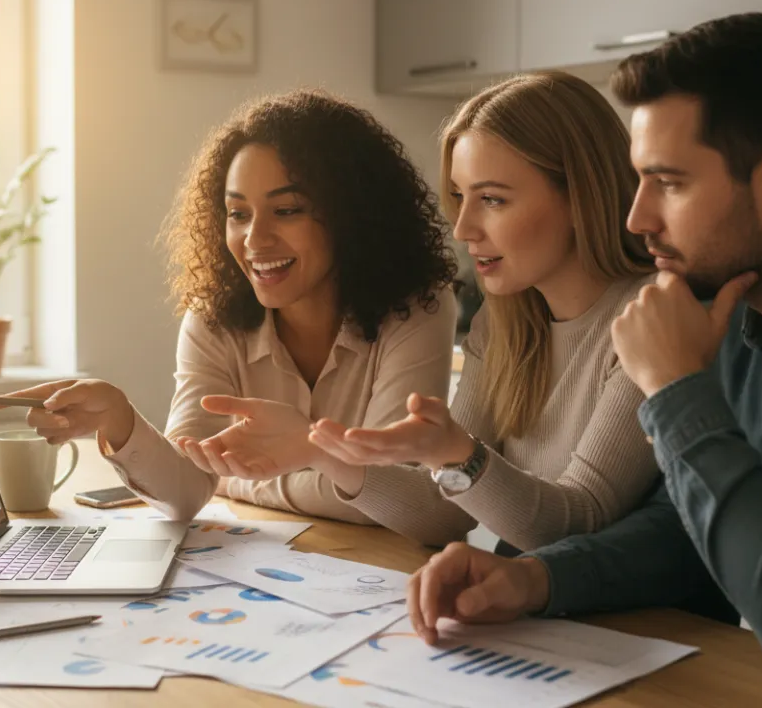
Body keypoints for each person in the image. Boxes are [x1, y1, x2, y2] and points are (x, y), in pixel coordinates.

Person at [402, 13, 762, 686]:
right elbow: (686, 535)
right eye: (639, 181)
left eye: (670, 183)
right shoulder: (734, 309)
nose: (637, 218)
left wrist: (675, 388)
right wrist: (533, 578)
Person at [202, 72, 660, 551]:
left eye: (493, 200)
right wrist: (322, 451)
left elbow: (574, 526)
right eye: (460, 198)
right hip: (534, 608)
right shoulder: (504, 323)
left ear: (580, 195)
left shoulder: (651, 321)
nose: (463, 229)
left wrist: (457, 455)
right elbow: (445, 516)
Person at [0, 89, 457, 522]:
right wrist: (121, 421)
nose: (254, 238)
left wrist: (237, 480)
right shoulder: (213, 318)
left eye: (287, 210)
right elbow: (185, 491)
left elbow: (406, 505)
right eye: (238, 214)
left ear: (353, 214)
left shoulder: (417, 310)